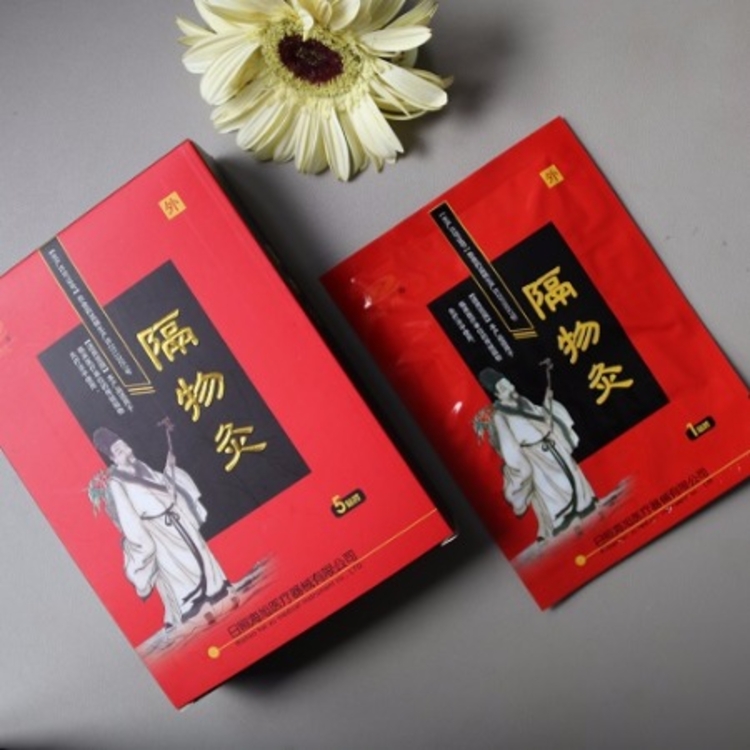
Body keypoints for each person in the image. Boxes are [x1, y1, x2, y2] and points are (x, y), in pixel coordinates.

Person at [90, 427, 232, 630]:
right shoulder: (117, 483)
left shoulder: (141, 467)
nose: (127, 451)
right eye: (119, 451)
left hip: (175, 518)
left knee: (200, 555)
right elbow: (129, 517)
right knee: (179, 570)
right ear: (113, 459)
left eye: (125, 446)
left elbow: (164, 486)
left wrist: (170, 468)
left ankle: (217, 593)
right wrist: (142, 542)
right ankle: (198, 612)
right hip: (157, 531)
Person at [473, 367, 597, 542]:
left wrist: (548, 405)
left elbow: (541, 416)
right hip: (534, 456)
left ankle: (583, 504)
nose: (511, 388)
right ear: (497, 394)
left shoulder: (523, 402)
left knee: (572, 475)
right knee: (549, 489)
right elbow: (509, 447)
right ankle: (561, 519)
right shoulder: (500, 417)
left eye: (509, 384)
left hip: (551, 445)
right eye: (504, 387)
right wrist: (519, 466)